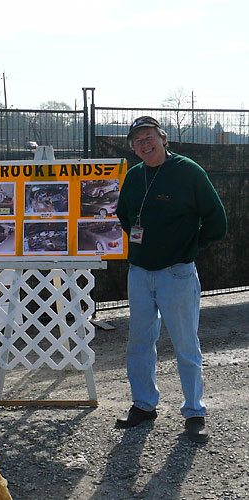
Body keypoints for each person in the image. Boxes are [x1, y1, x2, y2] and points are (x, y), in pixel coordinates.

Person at [115, 116, 227, 443]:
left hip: (177, 274)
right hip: (140, 273)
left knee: (185, 343)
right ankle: (144, 404)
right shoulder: (134, 176)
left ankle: (194, 412)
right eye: (138, 141)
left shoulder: (189, 172)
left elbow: (216, 220)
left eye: (149, 137)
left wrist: (189, 247)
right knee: (139, 342)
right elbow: (124, 215)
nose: (144, 144)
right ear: (133, 148)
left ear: (162, 138)